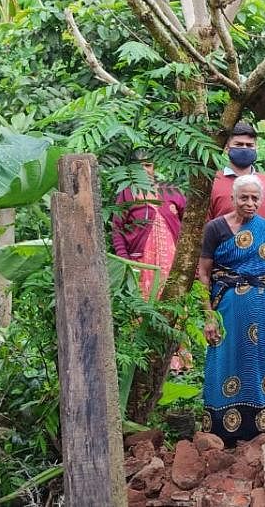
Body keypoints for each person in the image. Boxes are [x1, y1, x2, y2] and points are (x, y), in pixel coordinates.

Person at [207, 121, 265, 416]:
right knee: (228, 344)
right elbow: (204, 239)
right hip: (227, 288)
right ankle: (226, 407)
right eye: (239, 144)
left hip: (263, 286)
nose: (244, 149)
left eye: (249, 145)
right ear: (227, 146)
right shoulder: (214, 183)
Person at [199, 175, 265, 444]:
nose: (249, 203)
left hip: (261, 308)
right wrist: (209, 316)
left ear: (261, 201)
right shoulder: (215, 229)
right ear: (233, 199)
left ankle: (258, 428)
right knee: (226, 359)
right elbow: (204, 275)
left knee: (257, 359)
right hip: (226, 307)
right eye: (244, 197)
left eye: (255, 198)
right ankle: (221, 430)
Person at [112, 151, 192, 371]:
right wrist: (125, 261)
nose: (145, 170)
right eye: (140, 166)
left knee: (173, 307)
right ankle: (142, 362)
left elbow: (188, 225)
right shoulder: (127, 193)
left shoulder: (171, 190)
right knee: (142, 308)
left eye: (148, 165)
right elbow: (117, 229)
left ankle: (175, 363)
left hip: (171, 262)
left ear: (155, 166)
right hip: (141, 264)